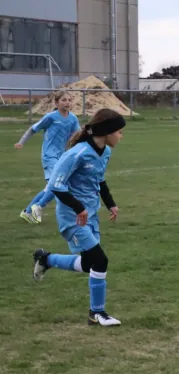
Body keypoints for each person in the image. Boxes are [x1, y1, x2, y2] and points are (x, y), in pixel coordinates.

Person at [31, 108, 126, 327]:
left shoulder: (105, 152)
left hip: (90, 215)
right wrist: (78, 207)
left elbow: (99, 180)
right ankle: (97, 313)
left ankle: (45, 259)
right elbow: (56, 186)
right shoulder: (77, 153)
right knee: (100, 261)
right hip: (72, 218)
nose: (121, 136)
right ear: (108, 131)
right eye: (119, 131)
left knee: (88, 264)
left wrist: (110, 203)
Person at [15, 91, 81, 224]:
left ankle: (28, 212)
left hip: (62, 156)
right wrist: (21, 142)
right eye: (64, 100)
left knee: (51, 187)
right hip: (49, 156)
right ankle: (38, 207)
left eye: (69, 100)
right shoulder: (51, 117)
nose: (67, 102)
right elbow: (33, 129)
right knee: (58, 185)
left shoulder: (73, 118)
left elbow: (77, 135)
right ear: (56, 103)